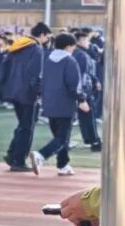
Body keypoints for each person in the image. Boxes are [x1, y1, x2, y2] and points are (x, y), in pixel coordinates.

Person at [30, 34, 87, 177]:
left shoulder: (47, 59)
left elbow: (40, 80)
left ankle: (63, 165)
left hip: (49, 103)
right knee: (62, 139)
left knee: (59, 137)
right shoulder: (70, 61)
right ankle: (41, 155)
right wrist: (82, 100)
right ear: (69, 46)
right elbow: (74, 85)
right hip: (65, 104)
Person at [1, 22, 51, 172]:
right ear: (42, 34)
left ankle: (12, 154)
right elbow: (35, 74)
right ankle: (18, 160)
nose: (47, 40)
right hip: (28, 93)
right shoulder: (36, 49)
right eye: (47, 36)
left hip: (13, 90)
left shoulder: (17, 46)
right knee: (27, 127)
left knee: (23, 125)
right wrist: (39, 92)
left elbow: (4, 67)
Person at [73, 30, 102, 152]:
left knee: (85, 116)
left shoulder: (80, 53)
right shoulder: (81, 54)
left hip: (82, 89)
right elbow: (83, 74)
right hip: (84, 89)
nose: (88, 43)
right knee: (89, 116)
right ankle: (94, 141)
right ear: (80, 41)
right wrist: (85, 92)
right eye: (86, 40)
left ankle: (90, 140)